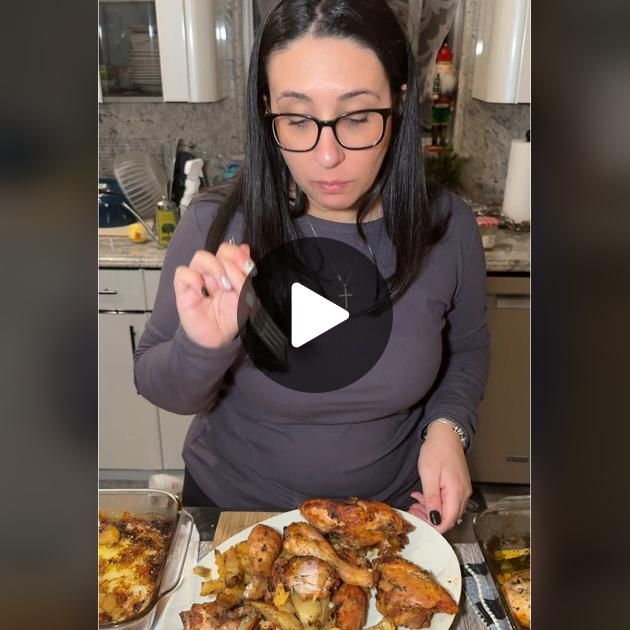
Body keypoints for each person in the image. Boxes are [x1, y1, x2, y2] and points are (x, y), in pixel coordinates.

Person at [134, 0, 489, 534]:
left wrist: (447, 427)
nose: (326, 157)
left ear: (400, 102)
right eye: (297, 119)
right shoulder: (217, 222)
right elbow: (161, 385)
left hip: (390, 517)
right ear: (266, 109)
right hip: (236, 516)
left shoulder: (449, 228)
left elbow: (466, 351)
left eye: (359, 116)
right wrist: (202, 347)